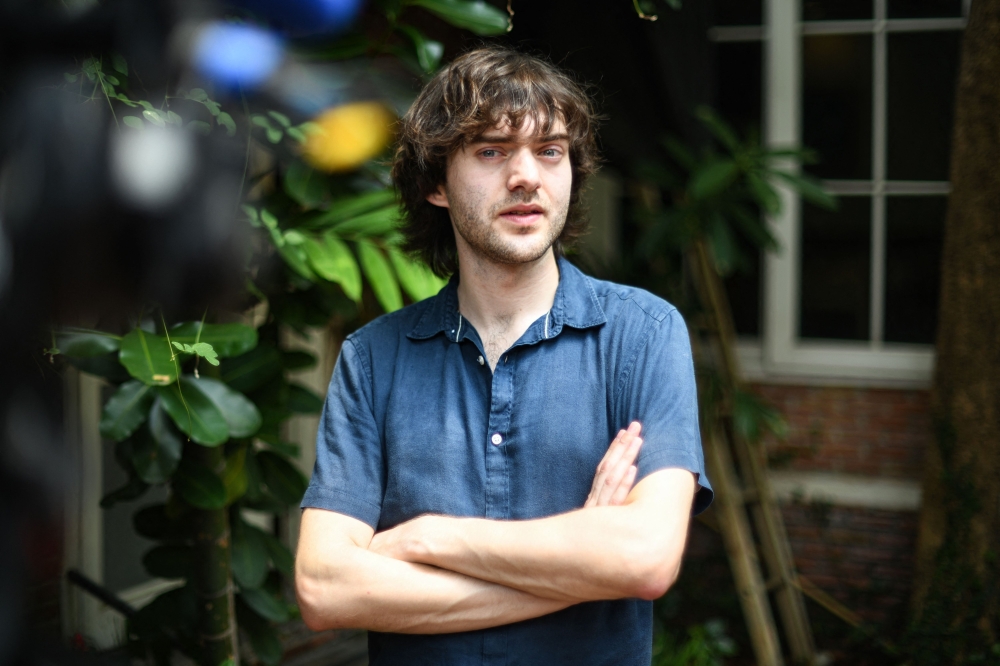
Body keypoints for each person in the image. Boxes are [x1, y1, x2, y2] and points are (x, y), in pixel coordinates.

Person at [295, 46, 713, 665]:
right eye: (491, 150)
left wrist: (429, 538)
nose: (527, 176)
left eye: (550, 151)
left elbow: (643, 559)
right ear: (436, 182)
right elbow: (325, 589)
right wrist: (581, 562)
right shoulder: (373, 358)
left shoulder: (643, 334)